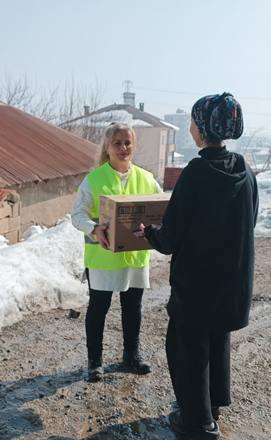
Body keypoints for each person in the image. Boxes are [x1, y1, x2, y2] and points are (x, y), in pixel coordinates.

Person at [141, 93, 257, 439]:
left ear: (202, 129)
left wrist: (148, 233)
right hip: (232, 280)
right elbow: (248, 220)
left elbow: (172, 236)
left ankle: (197, 424)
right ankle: (213, 405)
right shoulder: (244, 169)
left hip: (197, 284)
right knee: (217, 340)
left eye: (193, 121)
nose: (190, 127)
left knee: (189, 349)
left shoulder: (195, 173)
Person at [70, 122, 162, 382]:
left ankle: (131, 356)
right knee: (99, 308)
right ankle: (94, 362)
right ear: (107, 148)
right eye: (118, 143)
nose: (123, 148)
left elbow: (163, 207)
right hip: (103, 258)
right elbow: (77, 215)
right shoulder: (95, 179)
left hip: (135, 256)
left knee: (133, 306)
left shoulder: (146, 178)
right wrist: (94, 228)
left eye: (128, 143)